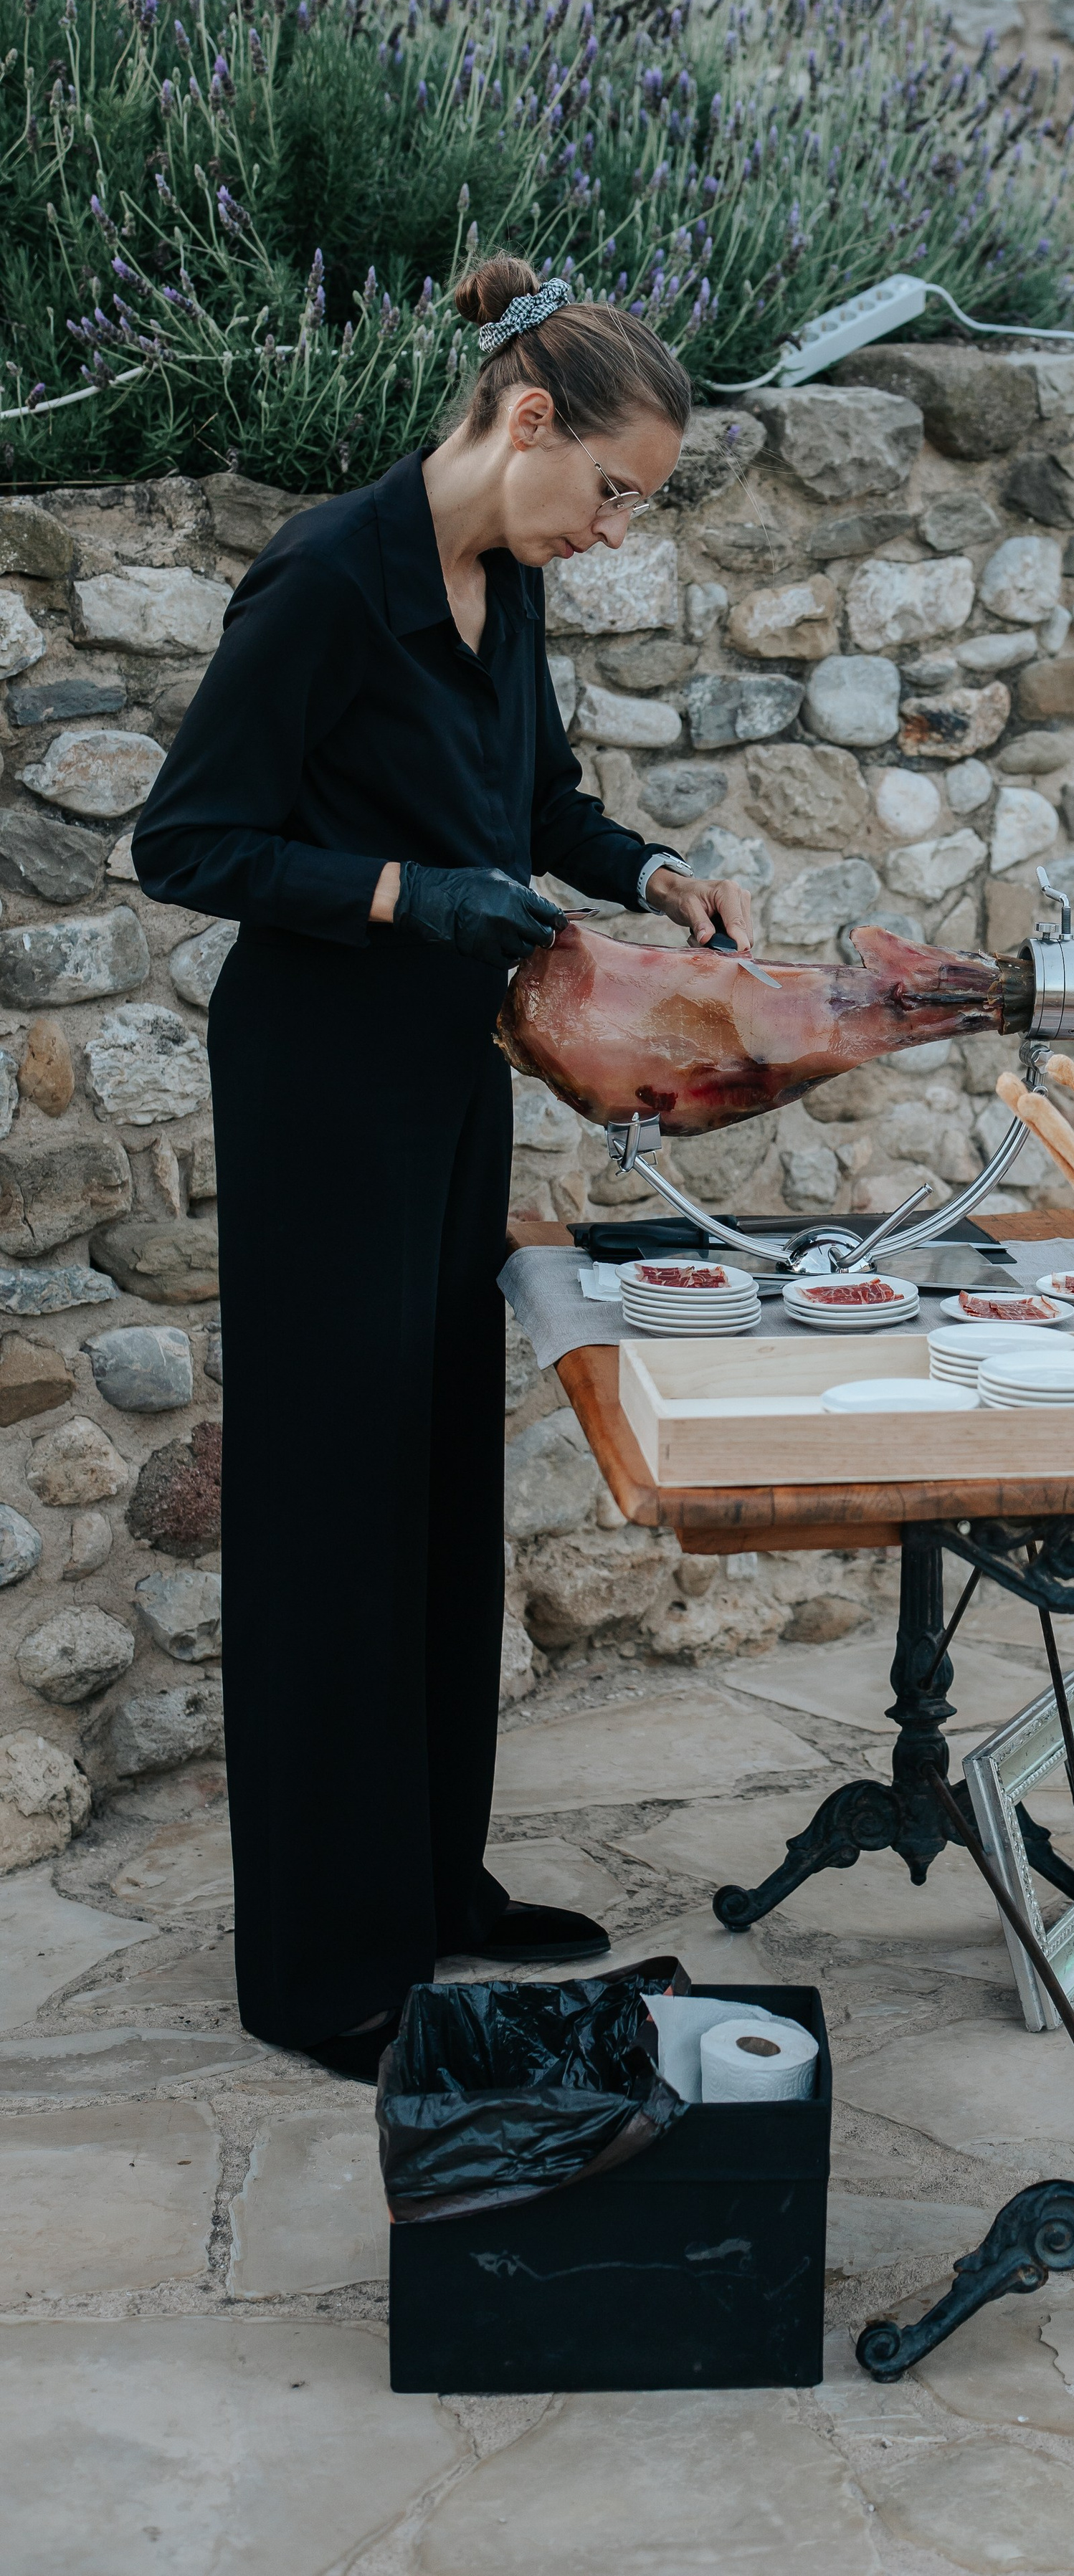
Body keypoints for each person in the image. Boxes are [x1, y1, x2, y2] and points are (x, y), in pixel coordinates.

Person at [133, 257, 756, 2080]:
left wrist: (645, 871)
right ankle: (322, 1965)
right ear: (528, 418)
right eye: (615, 490)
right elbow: (188, 840)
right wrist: (409, 896)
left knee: (427, 1492)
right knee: (327, 1510)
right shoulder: (330, 577)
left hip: (448, 1083)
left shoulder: (508, 586)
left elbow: (536, 807)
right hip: (321, 1083)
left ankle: (430, 1892)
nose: (617, 529)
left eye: (641, 507)